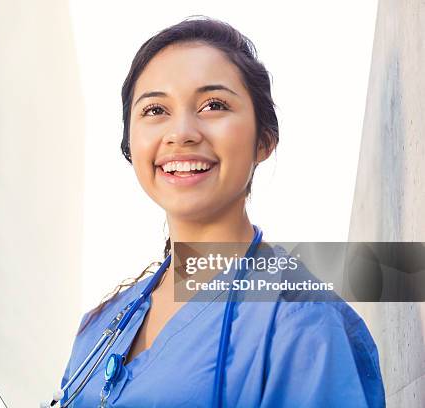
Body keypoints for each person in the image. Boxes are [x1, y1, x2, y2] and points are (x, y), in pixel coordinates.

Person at [58, 16, 385, 407]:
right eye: (155, 110)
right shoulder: (100, 328)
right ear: (131, 145)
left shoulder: (302, 323)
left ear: (264, 141)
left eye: (213, 105)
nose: (181, 132)